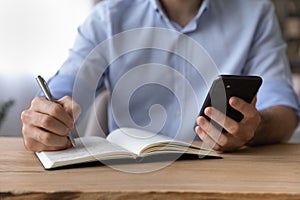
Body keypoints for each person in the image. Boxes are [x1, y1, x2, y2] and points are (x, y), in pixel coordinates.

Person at [21, 0, 299, 153]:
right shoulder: (107, 17)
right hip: (129, 179)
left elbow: (285, 111)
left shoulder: (256, 12)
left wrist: (254, 129)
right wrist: (45, 122)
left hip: (227, 175)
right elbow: (65, 89)